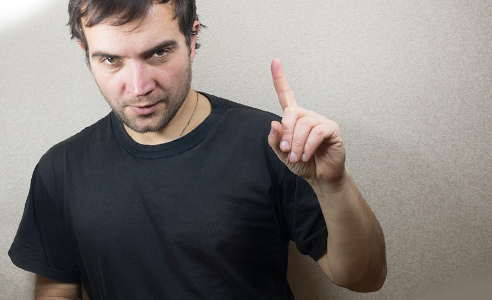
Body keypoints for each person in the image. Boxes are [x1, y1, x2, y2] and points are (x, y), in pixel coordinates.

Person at [9, 0, 387, 299]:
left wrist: (334, 184)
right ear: (85, 52)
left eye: (157, 53)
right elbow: (57, 286)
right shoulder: (59, 169)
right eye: (111, 60)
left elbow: (364, 278)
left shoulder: (272, 143)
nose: (138, 86)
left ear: (191, 41)